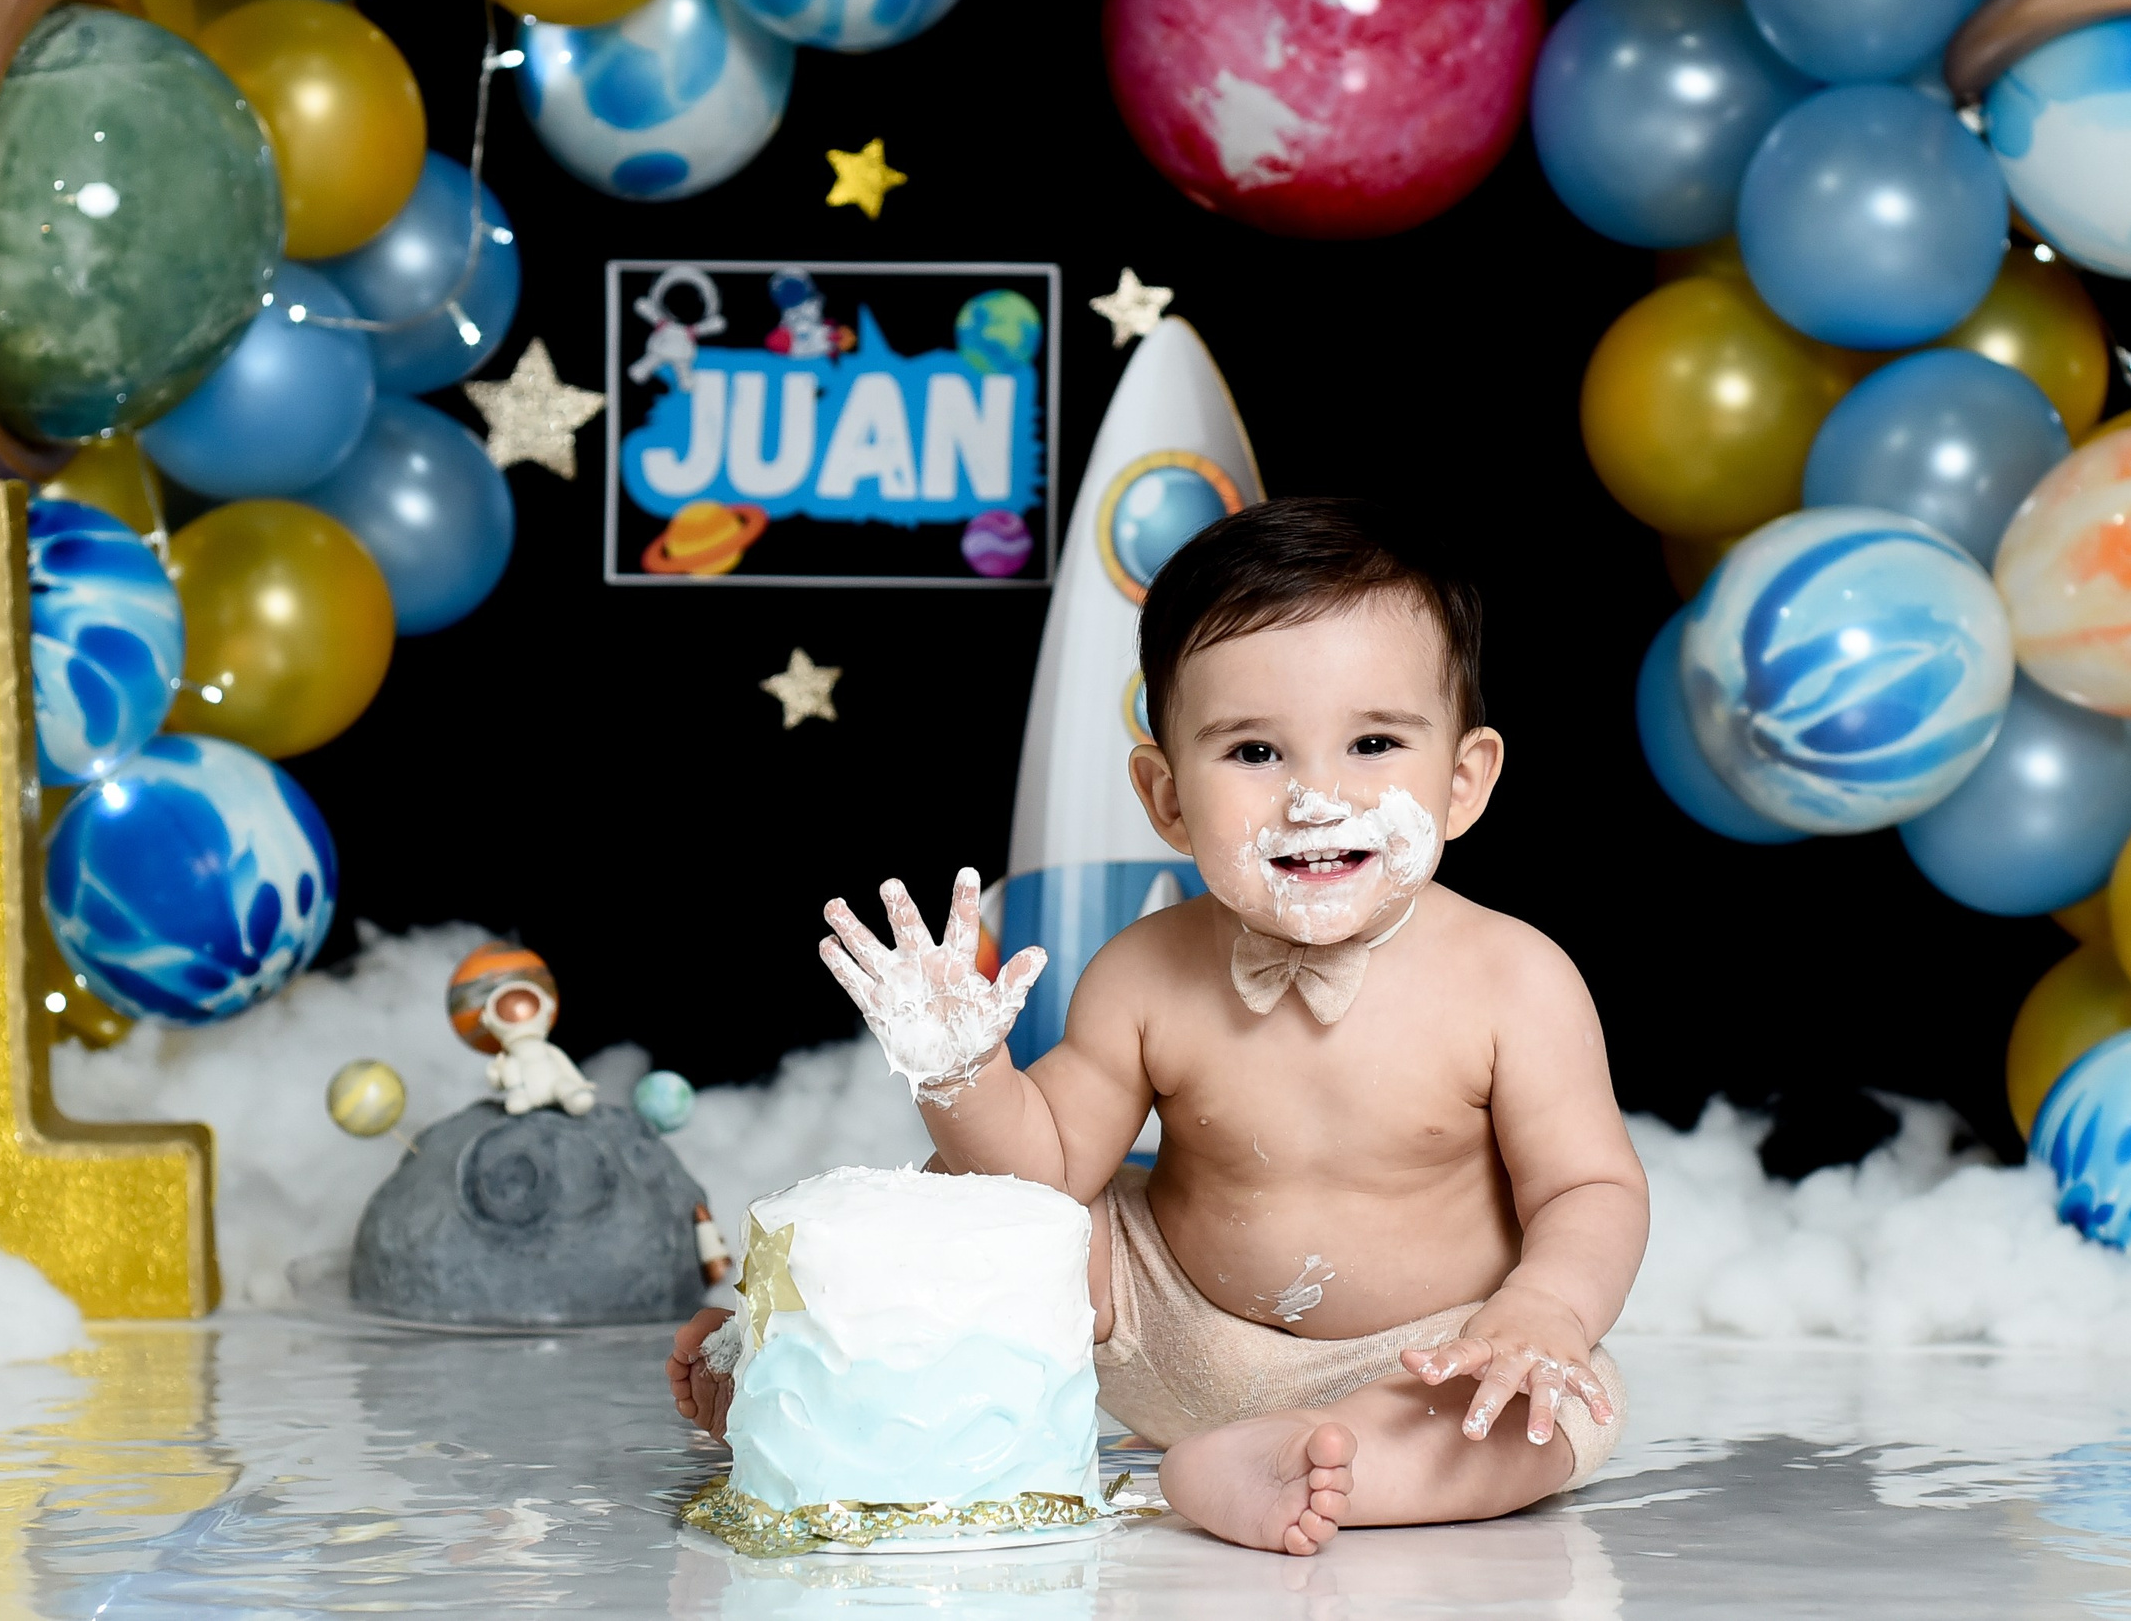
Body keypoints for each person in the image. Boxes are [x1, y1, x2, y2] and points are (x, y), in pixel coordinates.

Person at [667, 497, 1649, 1555]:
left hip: (1420, 1358)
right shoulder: (1145, 971)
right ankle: (820, 1376)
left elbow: (1587, 1186)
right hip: (1160, 1323)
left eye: (1372, 742)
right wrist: (961, 1071)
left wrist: (1544, 1309)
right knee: (993, 1218)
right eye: (1254, 753)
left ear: (1463, 782)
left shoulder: (1515, 979)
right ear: (1165, 796)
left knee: (1551, 1409)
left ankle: (1305, 1455)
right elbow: (1037, 1175)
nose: (1316, 798)